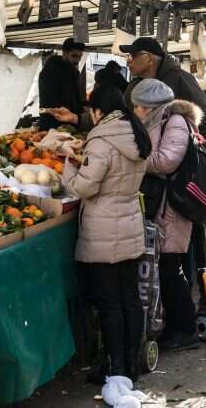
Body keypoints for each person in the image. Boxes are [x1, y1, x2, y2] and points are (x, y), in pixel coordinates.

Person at [63, 84, 152, 381]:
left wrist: (68, 167)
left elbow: (84, 187)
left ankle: (115, 368)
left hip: (102, 227)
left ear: (99, 111)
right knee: (131, 298)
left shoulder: (101, 140)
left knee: (110, 302)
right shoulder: (136, 133)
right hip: (129, 223)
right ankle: (132, 363)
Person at [131, 79, 202, 351]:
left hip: (171, 206)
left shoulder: (174, 122)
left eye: (139, 106)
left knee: (170, 268)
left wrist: (132, 160)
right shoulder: (160, 121)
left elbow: (166, 161)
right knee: (168, 268)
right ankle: (178, 326)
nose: (137, 111)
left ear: (151, 106)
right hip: (162, 203)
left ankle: (186, 330)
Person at [122, 37, 206, 154]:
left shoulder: (180, 79)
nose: (128, 61)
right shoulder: (135, 86)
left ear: (148, 58)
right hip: (145, 161)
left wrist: (199, 157)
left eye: (133, 56)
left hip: (178, 164)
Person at [38, 38, 87, 130]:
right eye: (74, 56)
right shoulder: (50, 71)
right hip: (53, 125)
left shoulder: (73, 72)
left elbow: (75, 97)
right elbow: (49, 101)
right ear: (64, 53)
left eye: (80, 56)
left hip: (71, 122)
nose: (78, 60)